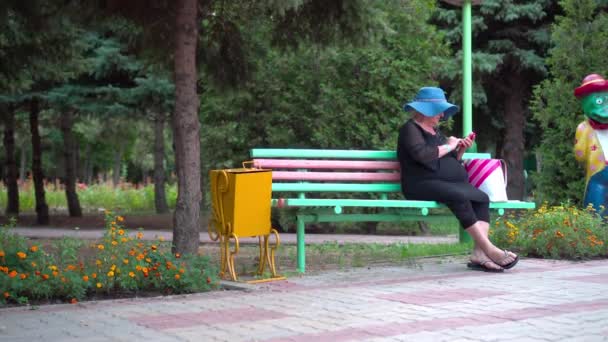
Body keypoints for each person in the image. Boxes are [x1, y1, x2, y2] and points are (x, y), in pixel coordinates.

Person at [396, 86, 518, 272]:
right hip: (420, 183)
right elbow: (423, 155)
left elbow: (448, 161)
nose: (443, 115)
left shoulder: (435, 132)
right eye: (439, 111)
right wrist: (449, 145)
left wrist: (459, 149)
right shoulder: (409, 130)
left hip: (444, 183)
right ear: (426, 111)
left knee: (481, 198)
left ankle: (478, 254)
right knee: (458, 196)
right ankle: (489, 249)